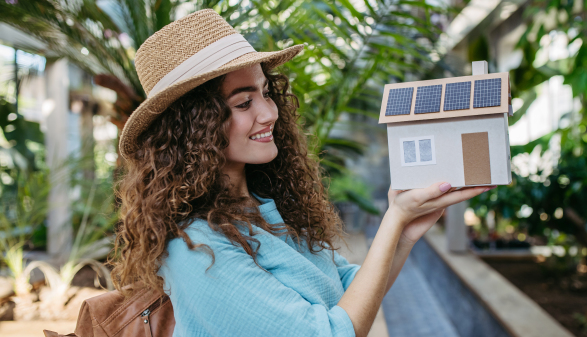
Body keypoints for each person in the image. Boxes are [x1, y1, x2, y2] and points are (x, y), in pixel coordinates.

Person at [110, 9, 493, 337]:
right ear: (192, 128)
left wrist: (406, 231)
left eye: (265, 92)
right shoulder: (197, 249)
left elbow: (348, 290)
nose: (270, 112)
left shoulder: (264, 208)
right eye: (244, 102)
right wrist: (394, 219)